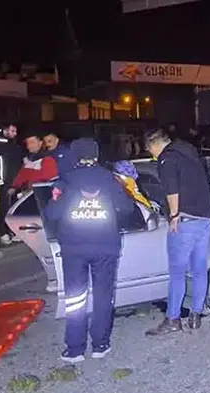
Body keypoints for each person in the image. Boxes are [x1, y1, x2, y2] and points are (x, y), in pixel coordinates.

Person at [44, 138, 136, 363]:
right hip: (105, 246)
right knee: (104, 295)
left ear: (75, 156)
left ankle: (75, 349)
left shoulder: (64, 181)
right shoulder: (109, 178)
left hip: (74, 248)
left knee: (75, 297)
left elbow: (52, 214)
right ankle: (100, 345)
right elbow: (127, 207)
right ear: (96, 155)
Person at [143, 128, 210, 335]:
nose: (152, 155)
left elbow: (171, 190)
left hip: (185, 220)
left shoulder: (167, 158)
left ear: (155, 145)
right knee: (199, 268)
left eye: (150, 150)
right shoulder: (190, 153)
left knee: (177, 273)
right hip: (204, 219)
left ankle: (173, 318)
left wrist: (174, 216)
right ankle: (195, 316)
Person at [0, 123, 24, 245]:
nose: (15, 134)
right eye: (12, 131)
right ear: (5, 131)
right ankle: (2, 231)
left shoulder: (15, 146)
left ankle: (13, 230)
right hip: (5, 182)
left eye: (15, 131)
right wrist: (1, 180)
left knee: (15, 206)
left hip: (16, 182)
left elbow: (19, 164)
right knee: (5, 206)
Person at [8, 132, 59, 197]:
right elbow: (22, 174)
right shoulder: (28, 159)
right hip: (29, 195)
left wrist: (29, 177)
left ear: (40, 143)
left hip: (42, 196)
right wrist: (14, 187)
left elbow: (46, 179)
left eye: (32, 142)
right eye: (27, 143)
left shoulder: (49, 158)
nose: (28, 146)